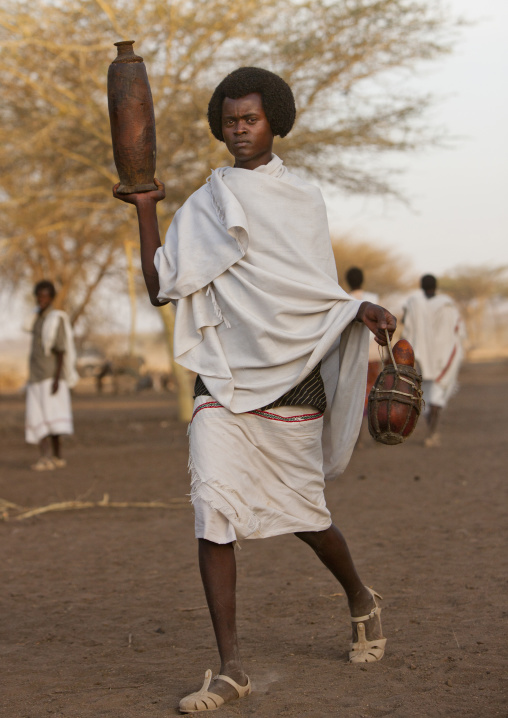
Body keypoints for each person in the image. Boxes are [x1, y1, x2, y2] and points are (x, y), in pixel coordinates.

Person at [113, 67, 397, 713]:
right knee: (213, 508)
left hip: (294, 372)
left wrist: (357, 309)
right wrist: (148, 207)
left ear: (275, 121)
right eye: (230, 120)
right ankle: (230, 666)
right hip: (223, 372)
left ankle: (359, 596)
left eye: (251, 119)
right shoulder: (210, 199)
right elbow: (162, 285)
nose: (239, 130)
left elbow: (310, 291)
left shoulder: (301, 196)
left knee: (304, 514)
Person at [402, 274, 464, 447]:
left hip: (421, 357)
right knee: (435, 397)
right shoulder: (448, 305)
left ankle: (432, 431)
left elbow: (406, 325)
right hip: (443, 357)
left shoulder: (414, 303)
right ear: (436, 286)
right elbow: (457, 330)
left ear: (421, 287)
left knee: (427, 396)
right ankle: (432, 433)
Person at [25, 280, 78, 470]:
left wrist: (57, 379)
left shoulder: (56, 319)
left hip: (51, 376)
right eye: (39, 296)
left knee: (53, 419)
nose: (42, 299)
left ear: (51, 297)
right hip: (35, 377)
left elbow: (61, 351)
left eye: (45, 296)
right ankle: (45, 458)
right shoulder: (36, 319)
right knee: (38, 418)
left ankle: (55, 457)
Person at [345, 267, 383, 437]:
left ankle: (357, 435)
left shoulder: (344, 300)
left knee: (355, 394)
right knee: (374, 391)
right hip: (374, 355)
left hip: (352, 358)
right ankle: (375, 430)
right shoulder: (374, 299)